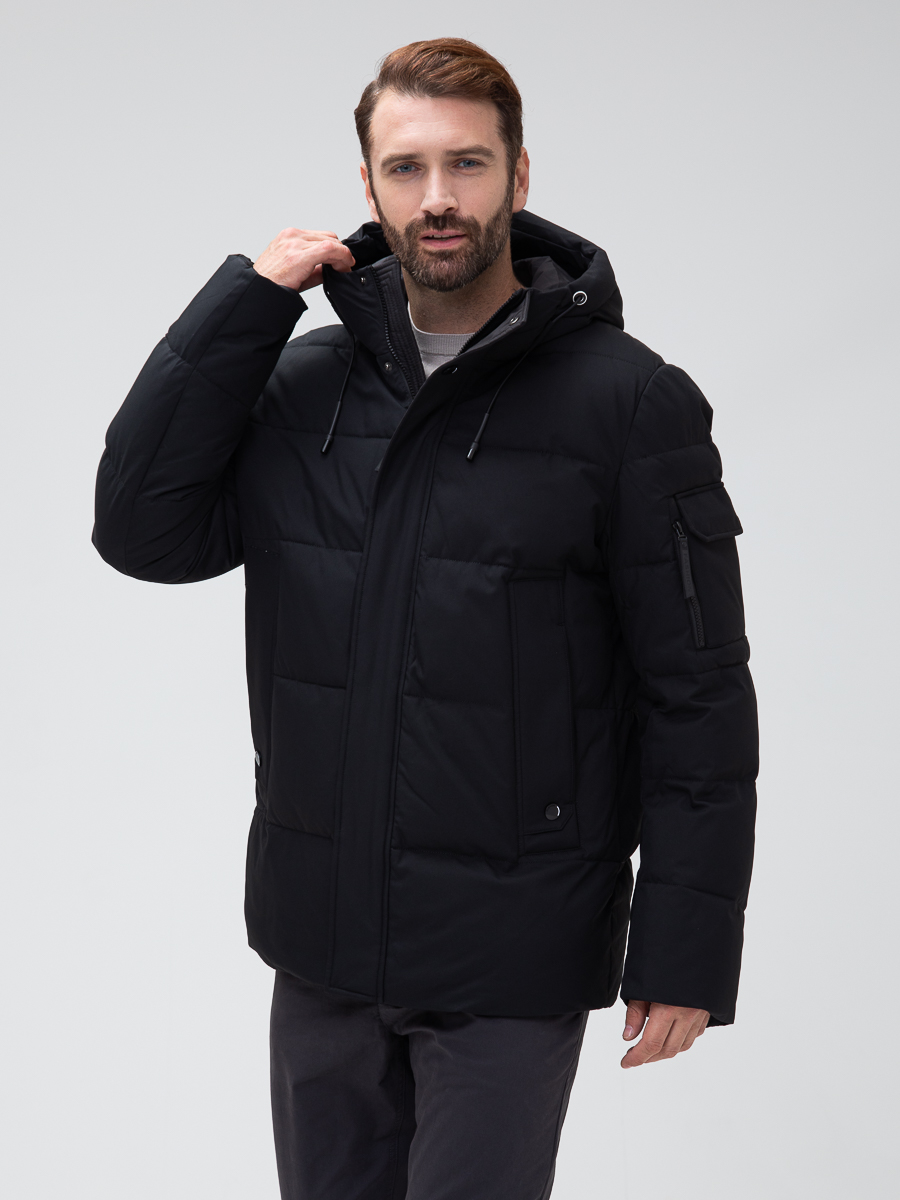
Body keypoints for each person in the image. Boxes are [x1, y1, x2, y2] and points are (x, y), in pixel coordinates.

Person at [92, 36, 758, 1200]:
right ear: (368, 184)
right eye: (406, 168)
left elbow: (696, 690)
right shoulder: (301, 387)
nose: (437, 197)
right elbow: (141, 530)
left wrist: (686, 946)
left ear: (519, 175)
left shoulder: (629, 403)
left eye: (467, 163)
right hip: (322, 942)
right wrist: (245, 304)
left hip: (514, 952)